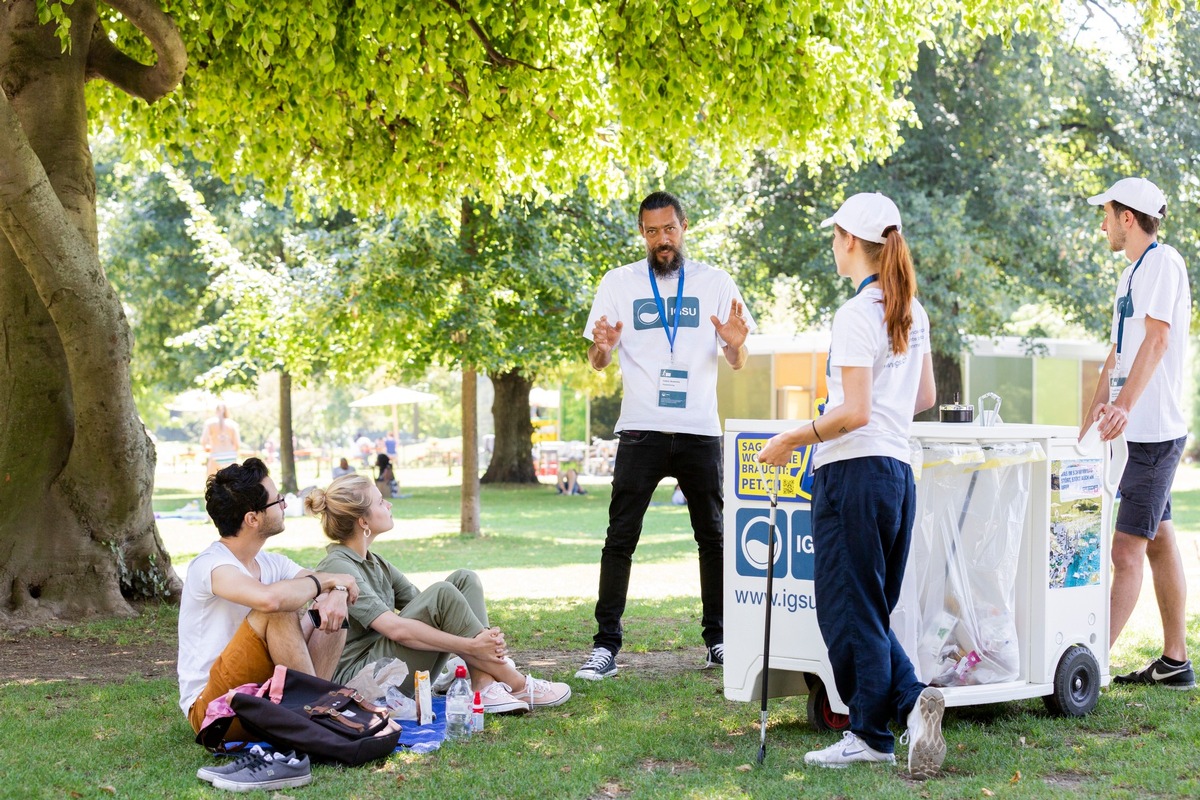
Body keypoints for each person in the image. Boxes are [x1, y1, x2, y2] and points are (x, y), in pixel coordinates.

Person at [757, 193, 942, 777]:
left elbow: (856, 411)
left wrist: (795, 436)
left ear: (850, 242)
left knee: (845, 611)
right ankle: (912, 704)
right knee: (867, 610)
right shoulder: (911, 307)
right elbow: (924, 398)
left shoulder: (856, 313)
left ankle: (872, 733)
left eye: (835, 237)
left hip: (852, 473)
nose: (832, 246)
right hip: (896, 473)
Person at [575, 190, 754, 681]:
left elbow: (737, 359)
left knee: (713, 538)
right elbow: (599, 357)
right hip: (640, 430)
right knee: (620, 538)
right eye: (652, 232)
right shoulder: (618, 283)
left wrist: (736, 348)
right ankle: (605, 645)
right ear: (642, 234)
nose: (662, 240)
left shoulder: (716, 283)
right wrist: (602, 349)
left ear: (684, 226)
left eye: (669, 229)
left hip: (699, 430)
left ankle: (718, 640)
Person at [310, 474, 572, 712]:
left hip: (387, 664)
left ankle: (482, 682)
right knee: (443, 593)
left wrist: (477, 640)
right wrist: (472, 646)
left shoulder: (374, 562)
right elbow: (397, 630)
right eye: (380, 502)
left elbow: (433, 608)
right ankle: (517, 684)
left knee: (464, 579)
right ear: (363, 521)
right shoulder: (338, 566)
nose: (389, 504)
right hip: (361, 682)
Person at [1082, 177, 1193, 690]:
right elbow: (1117, 354)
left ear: (1129, 218)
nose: (1101, 223)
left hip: (1153, 433)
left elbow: (1158, 339)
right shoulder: (1130, 275)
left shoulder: (1164, 263)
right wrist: (1085, 429)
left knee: (1125, 550)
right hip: (1135, 434)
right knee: (1158, 539)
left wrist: (1124, 408)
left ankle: (1088, 662)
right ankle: (1176, 662)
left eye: (1106, 213)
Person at [177, 458, 361, 743]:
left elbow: (325, 580)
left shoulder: (270, 562)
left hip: (262, 696)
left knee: (328, 610)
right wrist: (327, 583)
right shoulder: (211, 565)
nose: (285, 505)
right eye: (278, 501)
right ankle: (315, 720)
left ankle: (314, 713)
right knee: (277, 607)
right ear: (252, 518)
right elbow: (270, 600)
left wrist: (335, 593)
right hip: (214, 711)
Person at [200, 404, 241, 477]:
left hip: (216, 454)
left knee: (211, 482)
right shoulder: (233, 424)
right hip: (230, 455)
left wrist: (206, 448)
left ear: (216, 411)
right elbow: (237, 444)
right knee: (230, 483)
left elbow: (203, 441)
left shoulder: (210, 423)